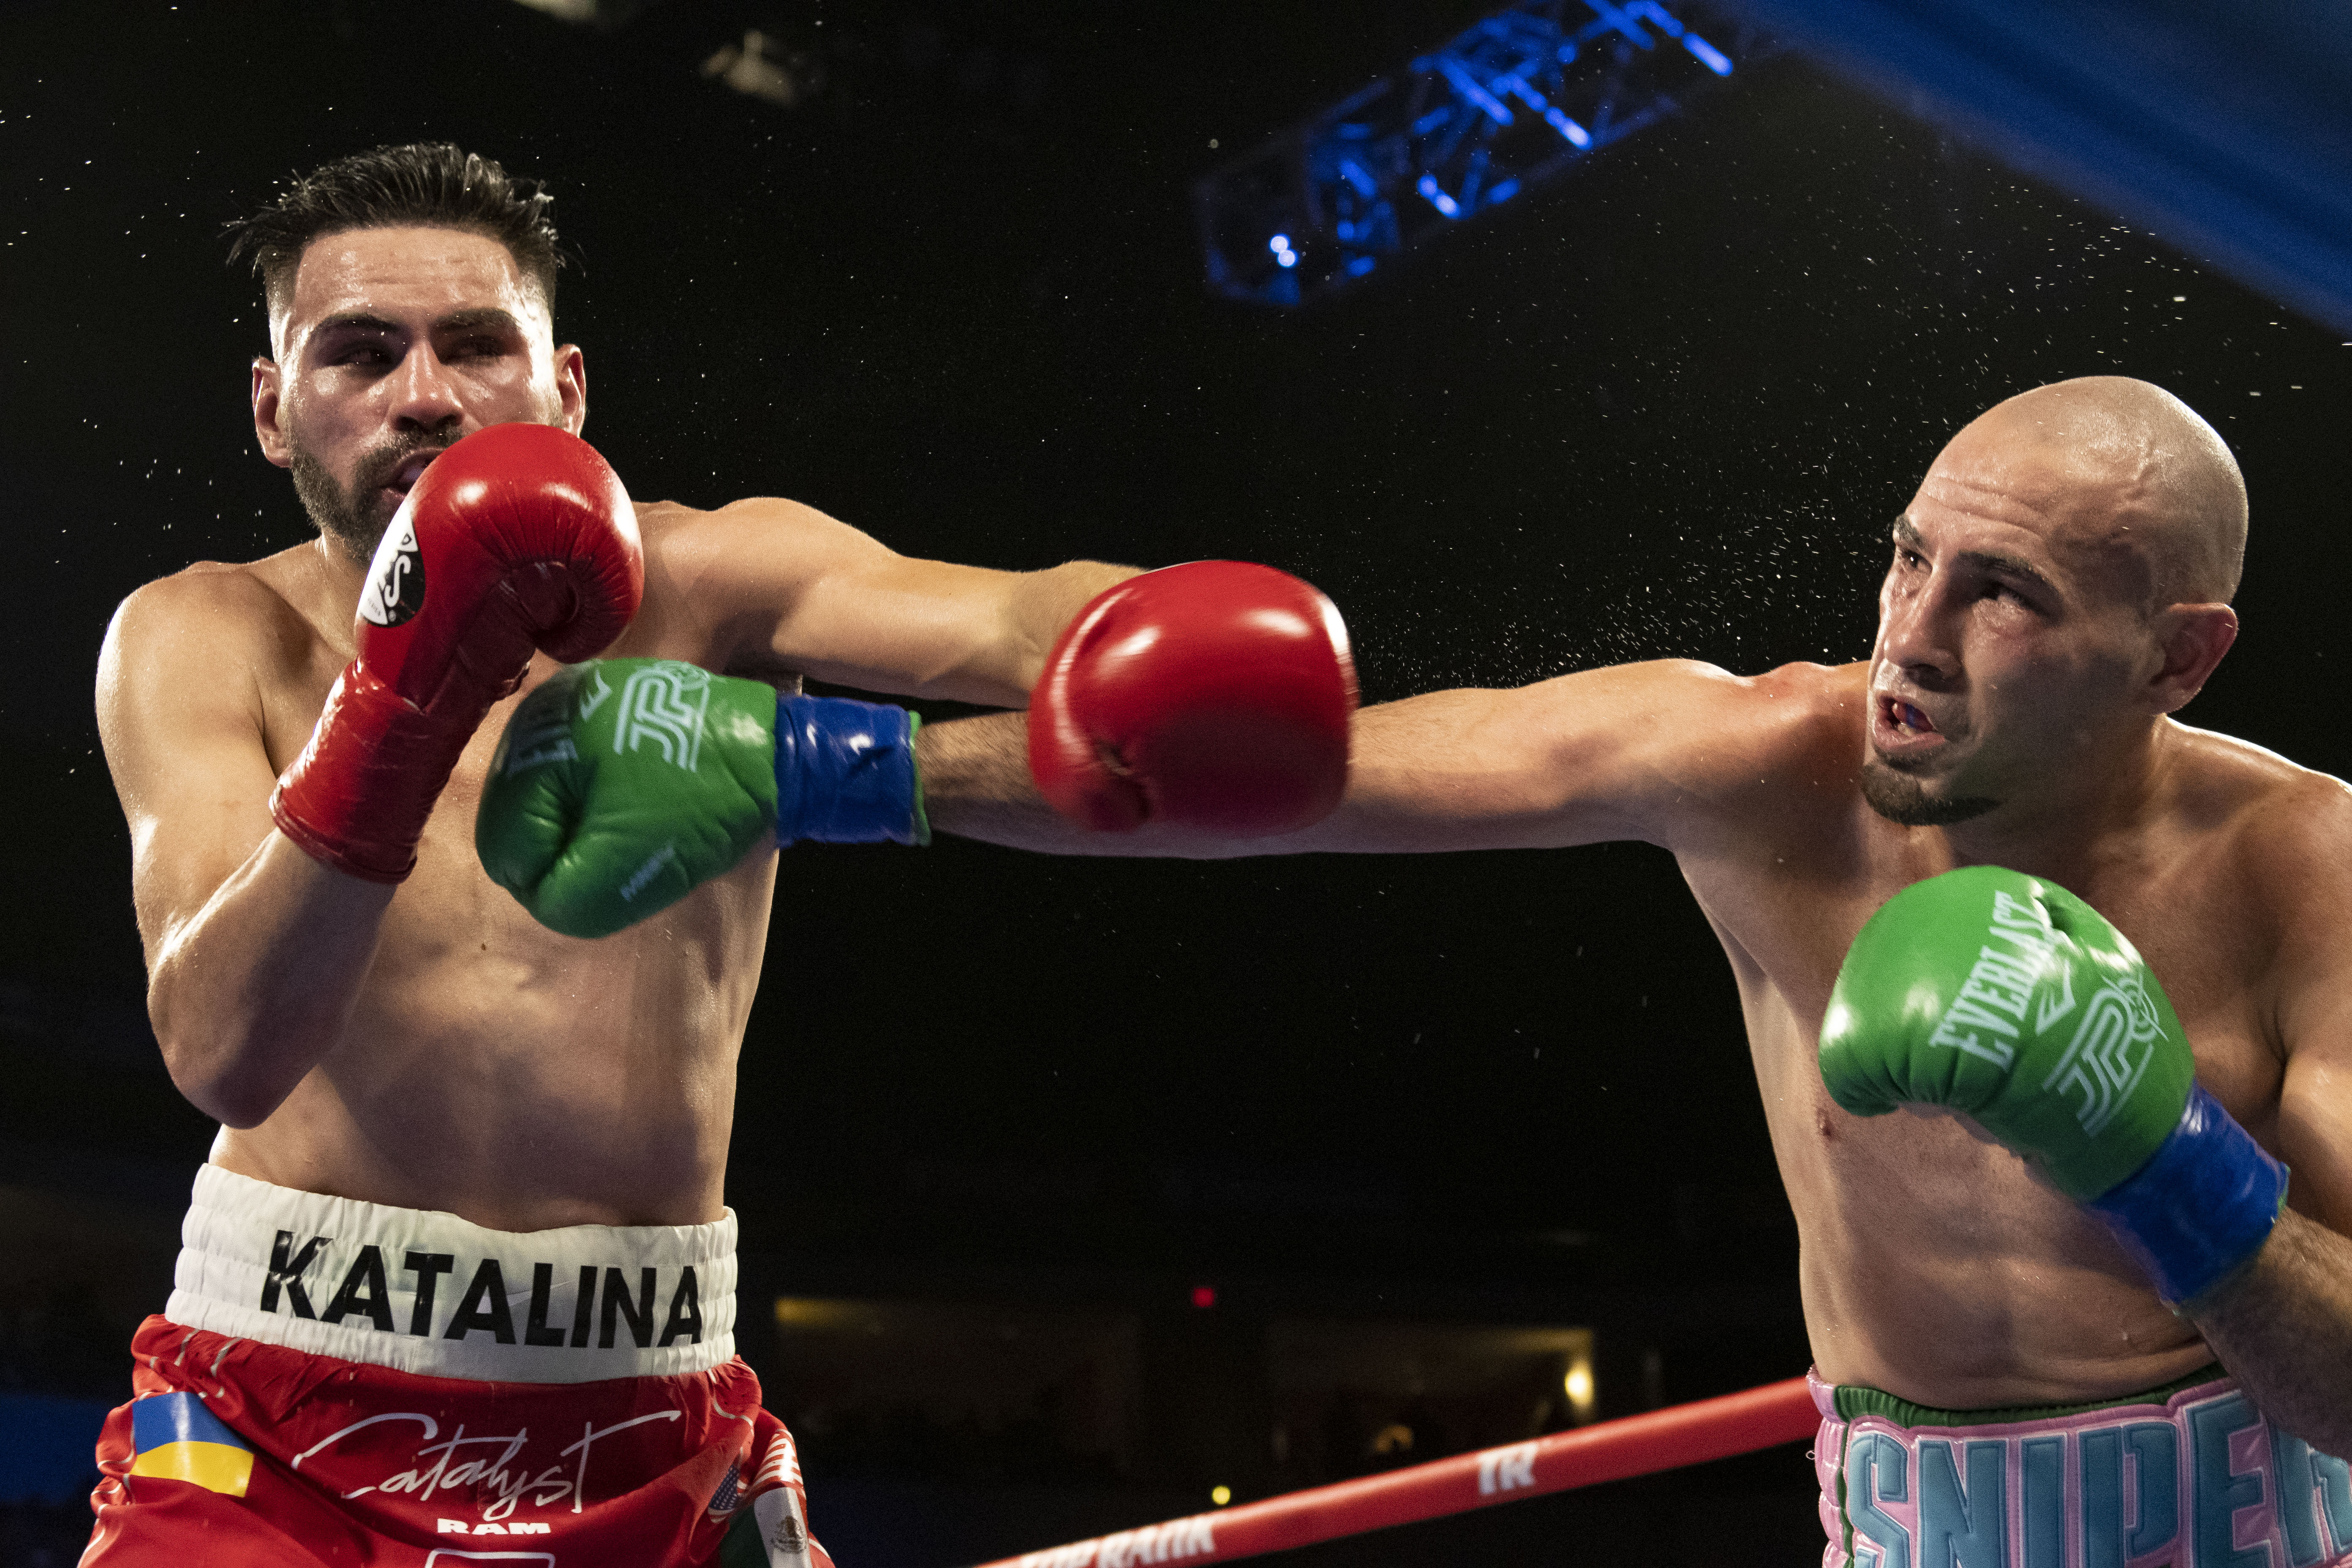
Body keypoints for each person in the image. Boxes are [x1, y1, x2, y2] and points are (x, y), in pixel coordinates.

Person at [87, 141, 1351, 1566]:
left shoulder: (713, 583)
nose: (425, 396)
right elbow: (224, 1051)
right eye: (362, 354)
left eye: (478, 346)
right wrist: (405, 695)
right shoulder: (202, 635)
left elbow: (1017, 624)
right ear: (274, 409)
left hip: (654, 1421)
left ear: (567, 390)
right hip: (274, 1422)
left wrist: (1174, 635)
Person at [907, 376, 2352, 1563]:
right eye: (1911, 557)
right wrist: (844, 773)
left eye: (2005, 594)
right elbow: (1283, 774)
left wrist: (2168, 1163)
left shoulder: (2308, 875)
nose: (1911, 638)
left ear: (2180, 659)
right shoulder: (1762, 769)